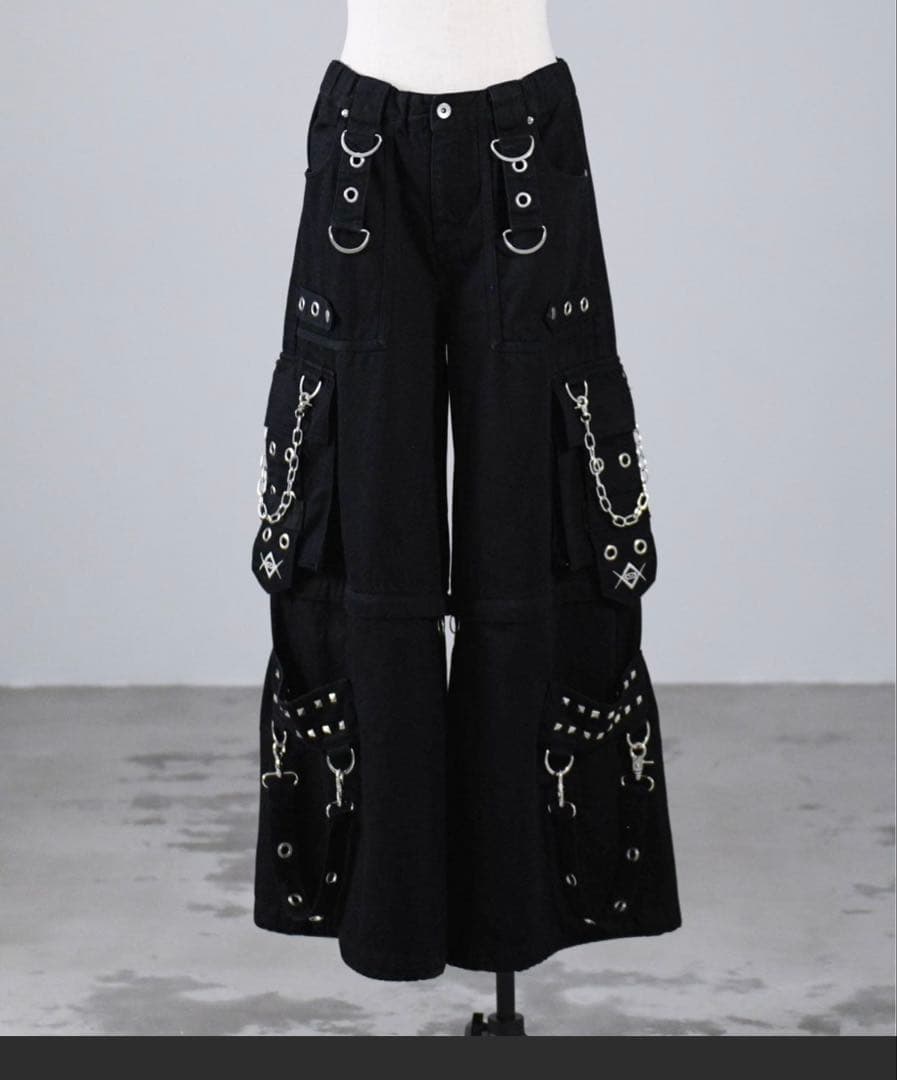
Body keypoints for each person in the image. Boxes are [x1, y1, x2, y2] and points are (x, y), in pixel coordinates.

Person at [249, 0, 683, 982]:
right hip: (364, 142)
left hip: (526, 132)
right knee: (362, 540)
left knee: (538, 536)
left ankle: (512, 921)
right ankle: (390, 919)